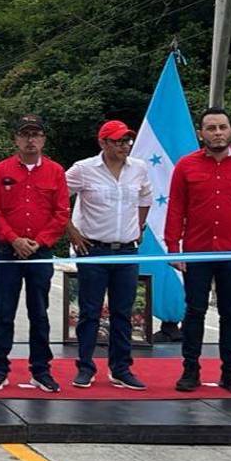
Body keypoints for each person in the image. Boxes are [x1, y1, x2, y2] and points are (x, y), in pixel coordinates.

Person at [166, 107, 231, 396]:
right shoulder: (186, 166)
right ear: (201, 134)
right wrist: (173, 248)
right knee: (194, 312)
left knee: (230, 314)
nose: (218, 133)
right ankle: (190, 369)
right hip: (196, 252)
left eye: (222, 127)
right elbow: (175, 208)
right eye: (211, 128)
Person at [0, 115, 70, 393]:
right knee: (3, 312)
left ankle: (41, 370)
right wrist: (14, 239)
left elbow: (61, 213)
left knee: (39, 314)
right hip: (7, 252)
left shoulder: (55, 171)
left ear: (43, 139)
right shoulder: (1, 170)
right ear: (16, 139)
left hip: (40, 253)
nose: (30, 140)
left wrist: (39, 242)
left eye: (36, 134)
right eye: (25, 134)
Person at [66, 120, 152, 390]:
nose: (124, 146)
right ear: (103, 143)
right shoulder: (83, 169)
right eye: (118, 141)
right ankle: (85, 367)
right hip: (93, 249)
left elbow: (145, 199)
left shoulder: (139, 168)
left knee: (123, 313)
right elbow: (56, 198)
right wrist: (72, 232)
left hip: (126, 250)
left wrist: (138, 227)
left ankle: (121, 368)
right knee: (90, 312)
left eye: (127, 141)